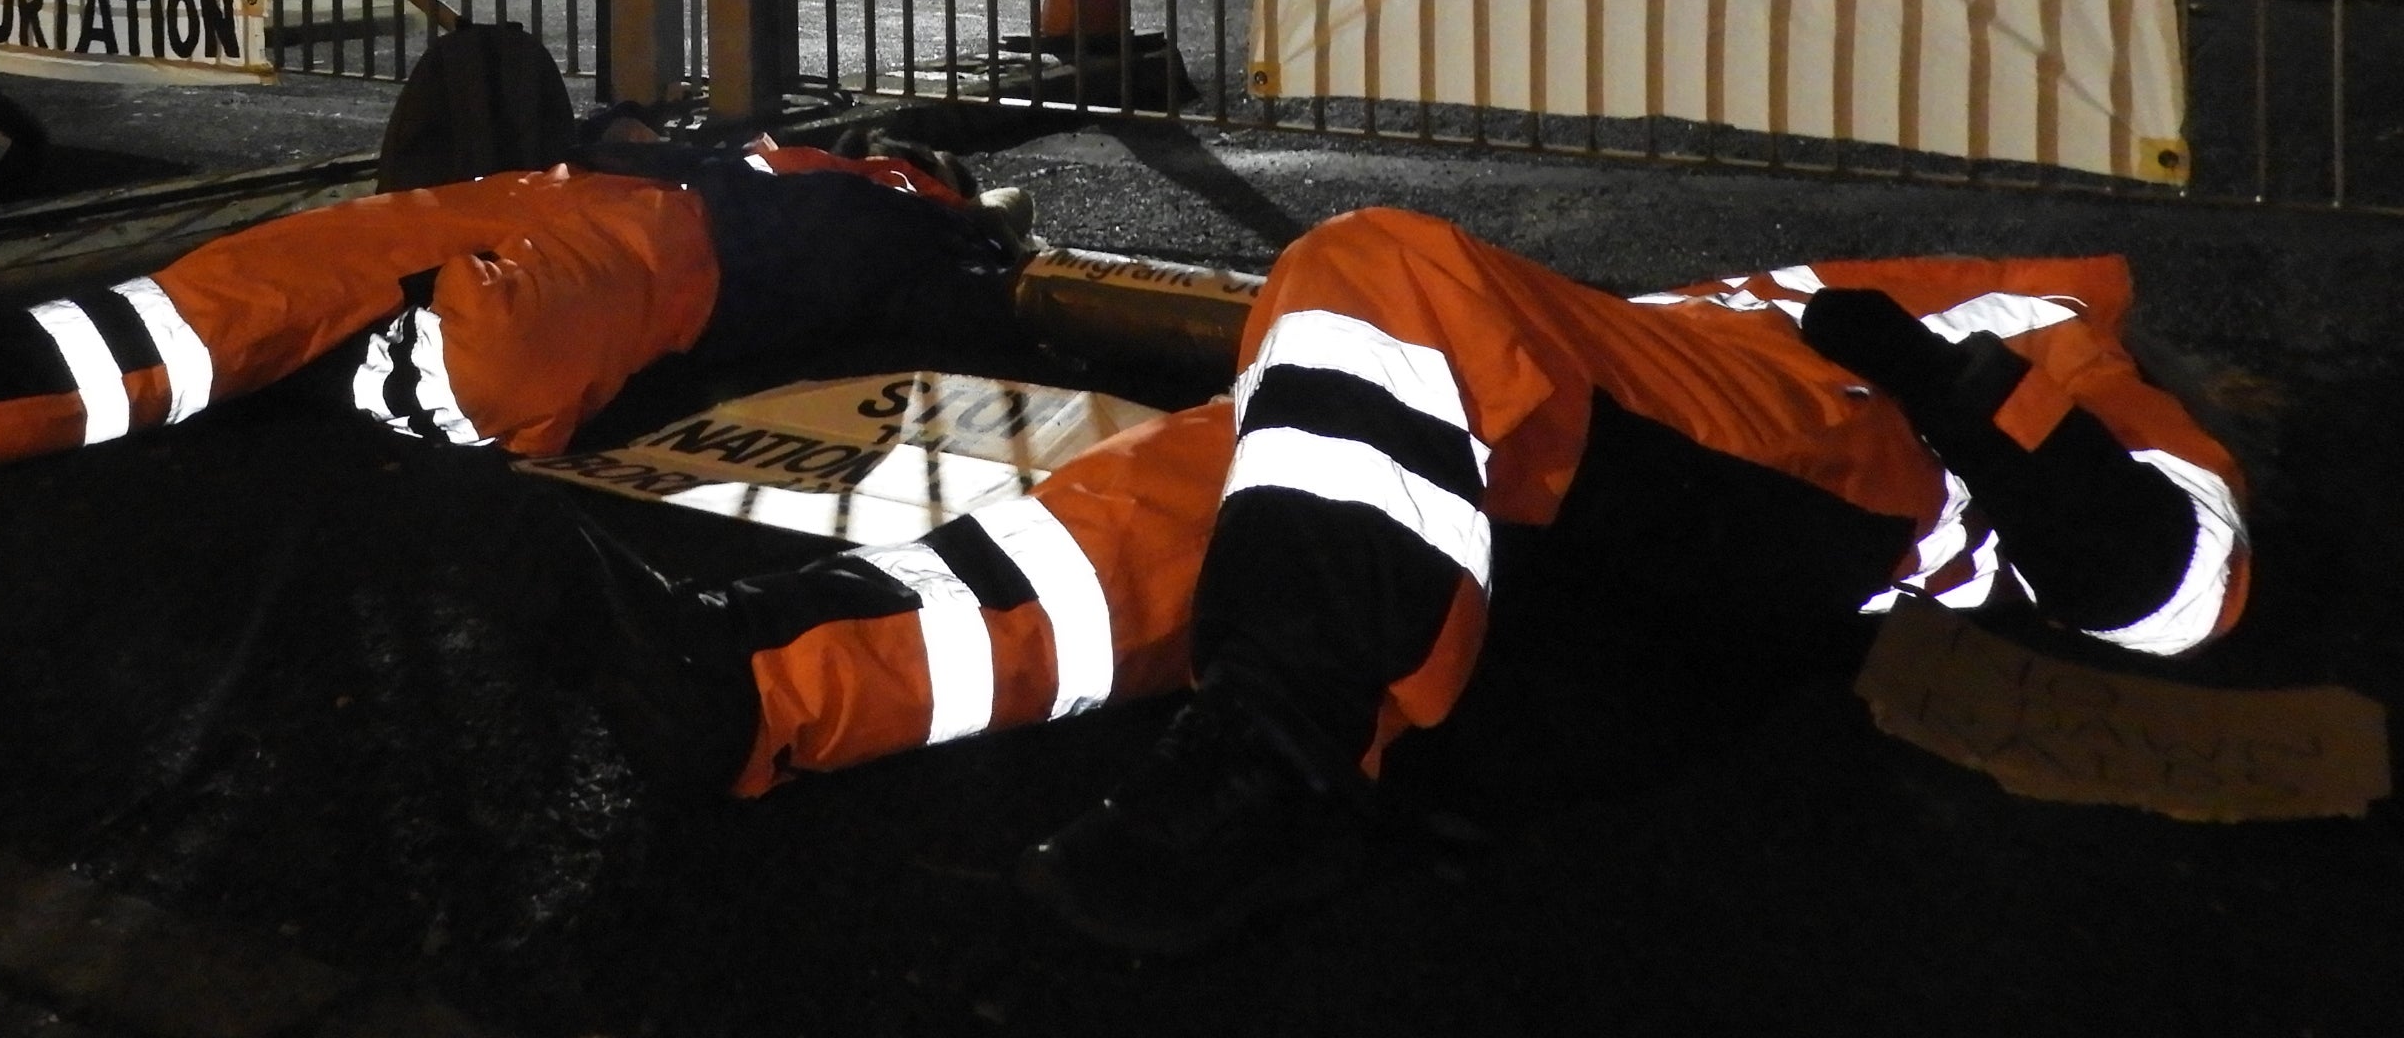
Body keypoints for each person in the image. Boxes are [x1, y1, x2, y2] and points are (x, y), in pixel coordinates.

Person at [572, 205, 2251, 957]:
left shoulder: (2048, 319)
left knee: (1380, 273)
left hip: (1815, 493)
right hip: (1649, 495)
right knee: (1231, 465)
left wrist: (1984, 401)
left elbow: (2179, 582)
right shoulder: (1846, 283)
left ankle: (1287, 749)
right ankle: (757, 689)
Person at [0, 120, 1030, 483]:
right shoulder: (793, 184)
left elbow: (959, 272)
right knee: (242, 297)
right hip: (529, 291)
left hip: (560, 301)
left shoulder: (895, 211)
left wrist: (973, 230)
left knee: (244, 304)